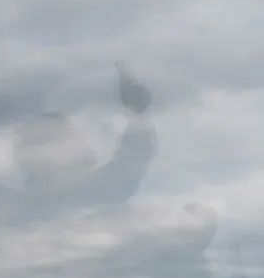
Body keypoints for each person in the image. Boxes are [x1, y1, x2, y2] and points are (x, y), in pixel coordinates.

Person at [14, 64, 157, 213]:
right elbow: (125, 172)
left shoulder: (73, 198)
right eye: (68, 137)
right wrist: (137, 113)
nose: (81, 141)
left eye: (74, 134)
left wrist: (136, 114)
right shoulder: (71, 203)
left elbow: (128, 167)